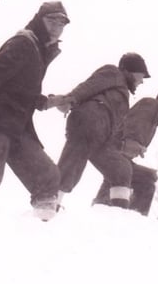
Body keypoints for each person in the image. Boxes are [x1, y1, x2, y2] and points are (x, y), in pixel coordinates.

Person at [0, 1, 70, 221]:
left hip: (19, 128)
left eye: (61, 22)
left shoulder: (39, 50)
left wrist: (49, 102)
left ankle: (43, 227)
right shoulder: (24, 43)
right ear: (39, 20)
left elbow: (21, 91)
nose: (56, 26)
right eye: (51, 20)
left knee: (48, 175)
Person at [46, 52, 150, 209]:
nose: (141, 81)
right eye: (141, 76)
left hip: (102, 137)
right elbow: (89, 86)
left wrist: (124, 145)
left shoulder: (123, 93)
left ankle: (118, 214)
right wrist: (69, 100)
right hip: (88, 124)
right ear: (128, 70)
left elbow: (116, 125)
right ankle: (48, 206)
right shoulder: (113, 72)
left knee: (121, 168)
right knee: (71, 167)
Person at [91, 88, 158, 215]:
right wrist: (132, 141)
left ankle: (120, 211)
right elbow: (135, 121)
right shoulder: (150, 104)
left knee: (143, 178)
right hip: (117, 149)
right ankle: (106, 208)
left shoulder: (155, 117)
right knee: (128, 176)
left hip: (121, 153)